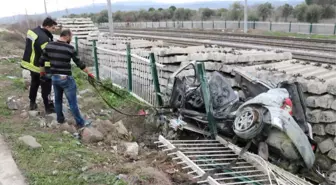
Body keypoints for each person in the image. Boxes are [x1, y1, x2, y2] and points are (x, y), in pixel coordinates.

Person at [39, 29, 94, 129]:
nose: (71, 39)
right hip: (66, 78)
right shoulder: (70, 48)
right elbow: (79, 63)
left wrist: (42, 72)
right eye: (71, 37)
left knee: (58, 100)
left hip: (55, 78)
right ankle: (80, 122)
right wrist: (89, 73)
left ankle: (60, 119)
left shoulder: (49, 46)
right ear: (67, 36)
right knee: (72, 102)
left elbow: (41, 61)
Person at [21, 17, 57, 114]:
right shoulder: (44, 39)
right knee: (46, 86)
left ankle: (32, 103)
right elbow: (47, 55)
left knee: (35, 83)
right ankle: (48, 108)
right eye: (53, 28)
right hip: (40, 66)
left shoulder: (32, 32)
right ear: (47, 26)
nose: (54, 30)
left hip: (31, 63)